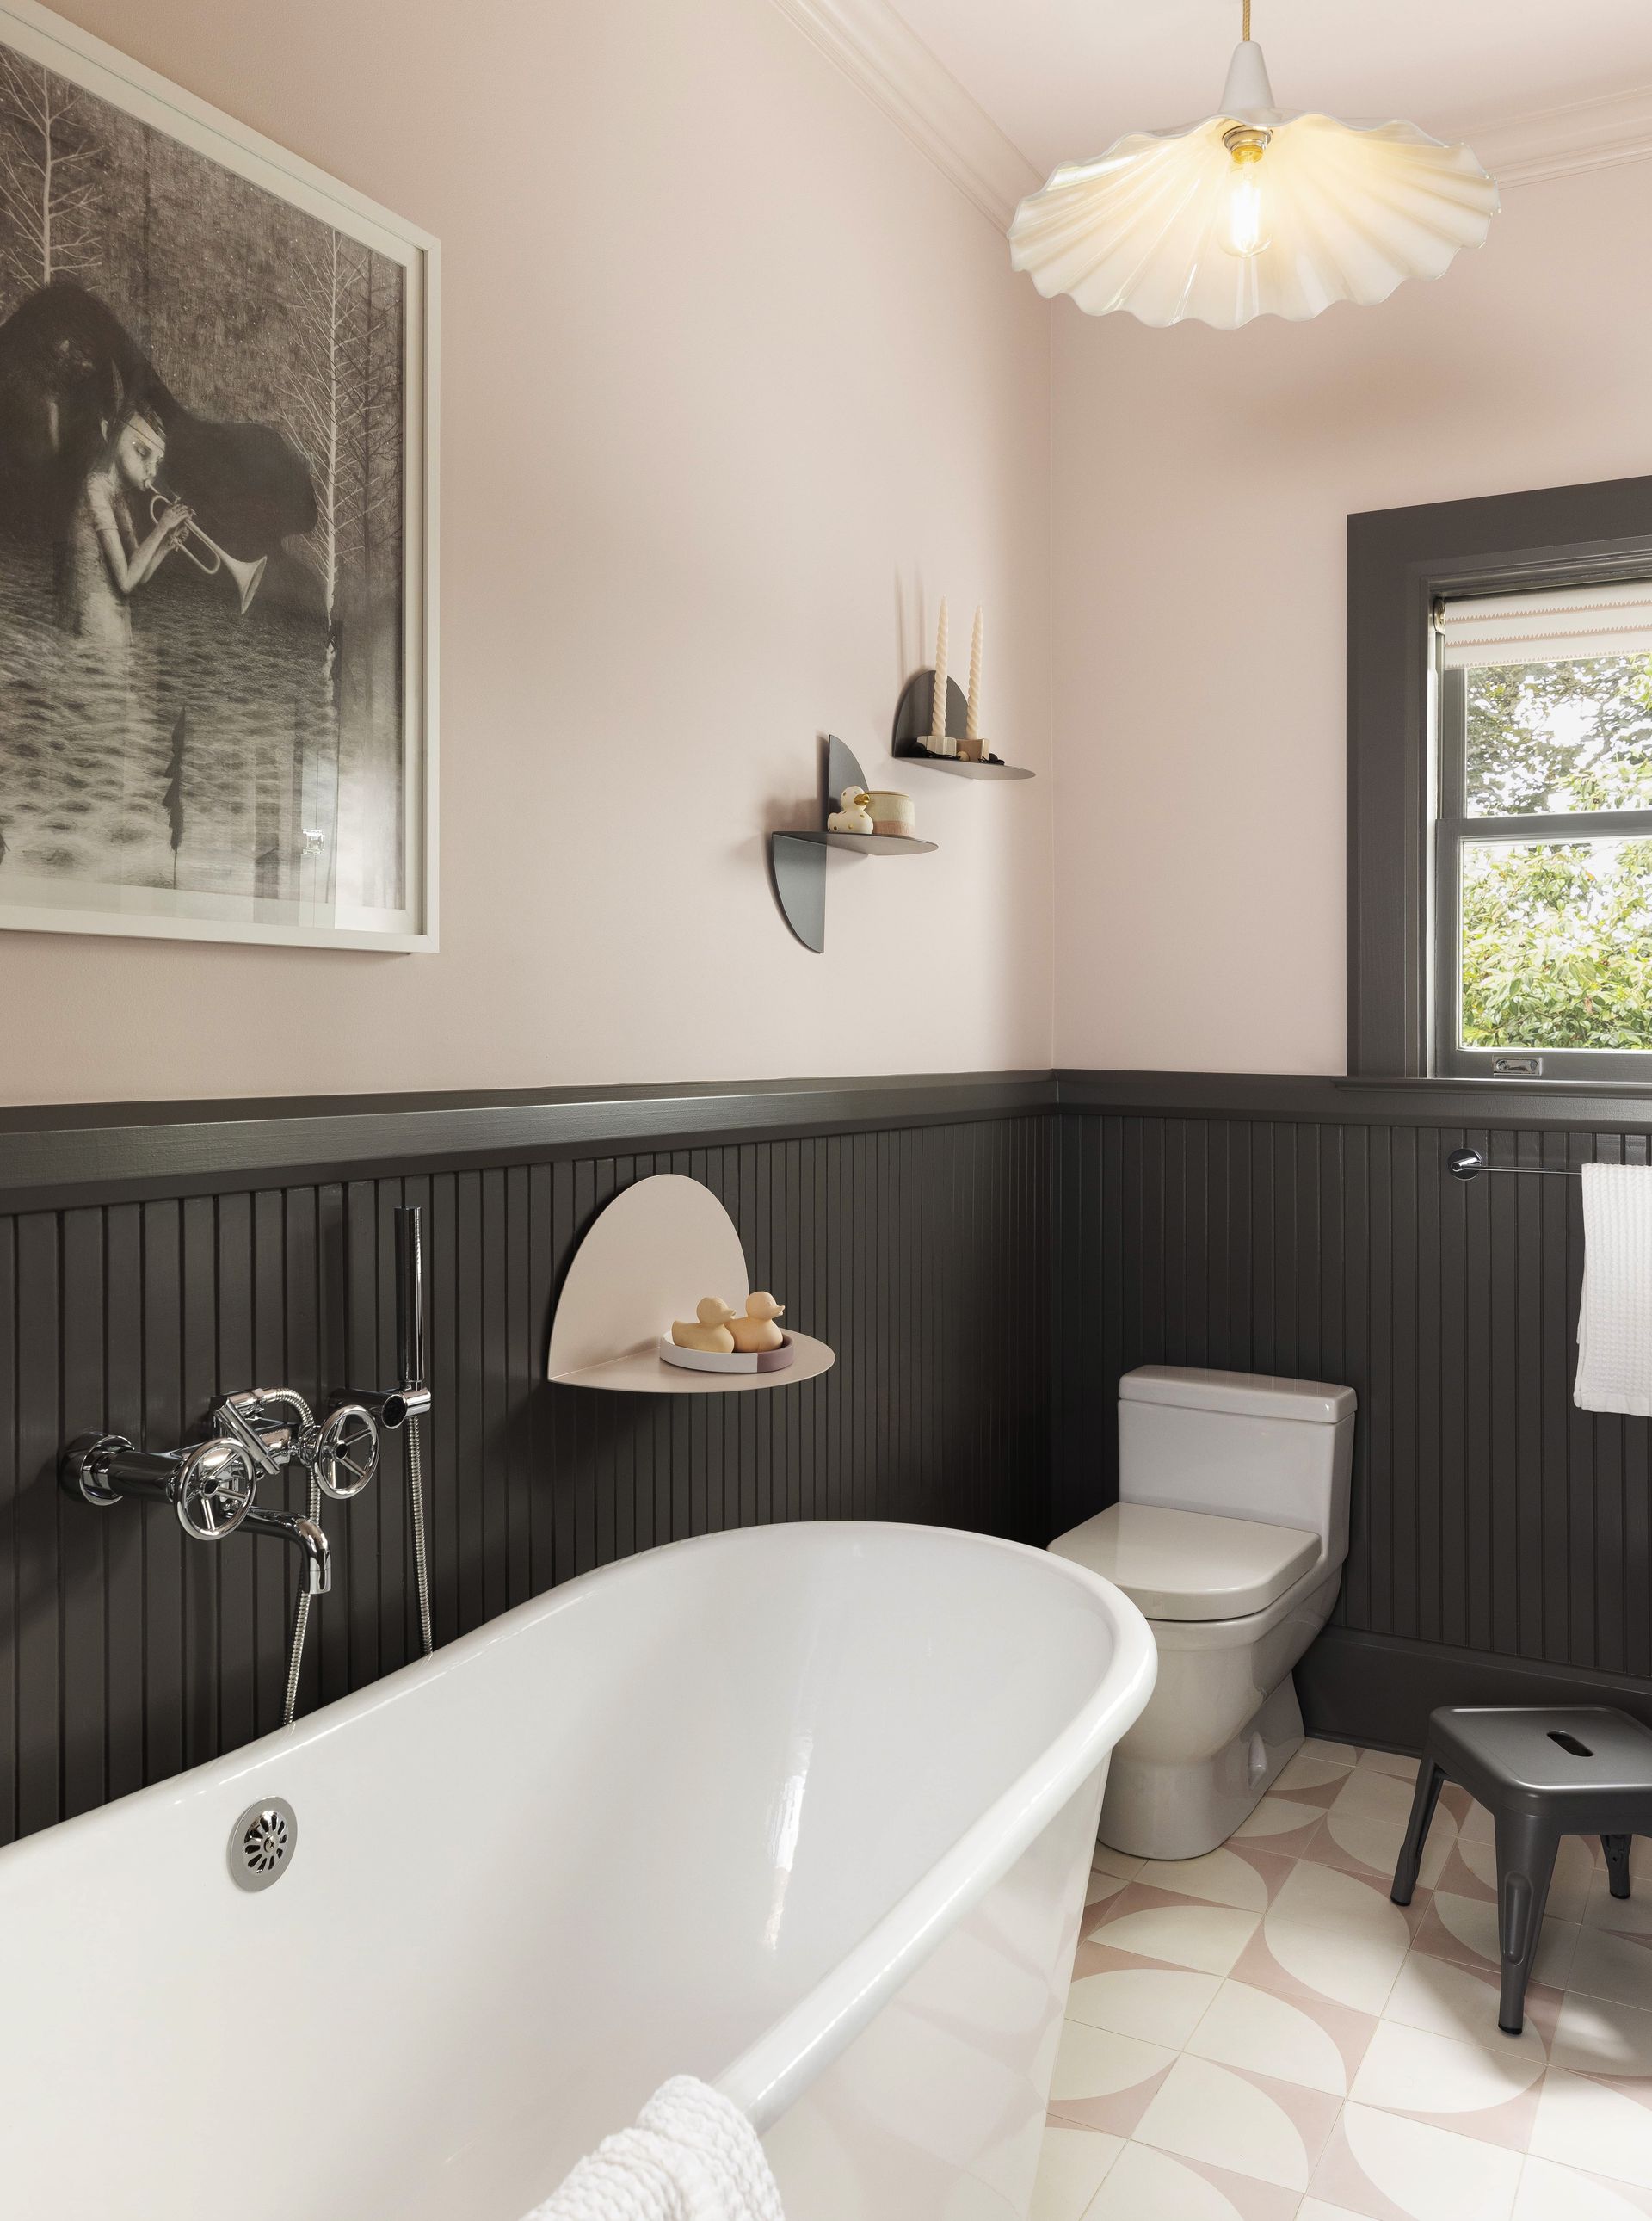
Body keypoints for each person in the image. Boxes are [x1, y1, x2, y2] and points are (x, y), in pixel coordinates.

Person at [56, 398, 193, 648]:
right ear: (110, 433)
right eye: (142, 452)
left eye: (158, 463)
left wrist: (165, 544)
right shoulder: (96, 487)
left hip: (115, 630)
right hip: (94, 629)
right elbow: (126, 582)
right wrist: (161, 527)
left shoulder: (122, 498)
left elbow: (139, 574)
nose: (152, 470)